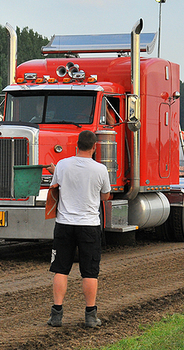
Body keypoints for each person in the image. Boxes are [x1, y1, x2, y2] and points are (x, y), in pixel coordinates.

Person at [47, 130, 111, 328]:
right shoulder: (100, 169)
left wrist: (54, 171)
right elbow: (105, 196)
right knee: (90, 272)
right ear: (94, 148)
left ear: (77, 145)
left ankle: (56, 314)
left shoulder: (63, 165)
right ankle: (90, 316)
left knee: (60, 269)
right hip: (89, 227)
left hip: (64, 224)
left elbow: (55, 186)